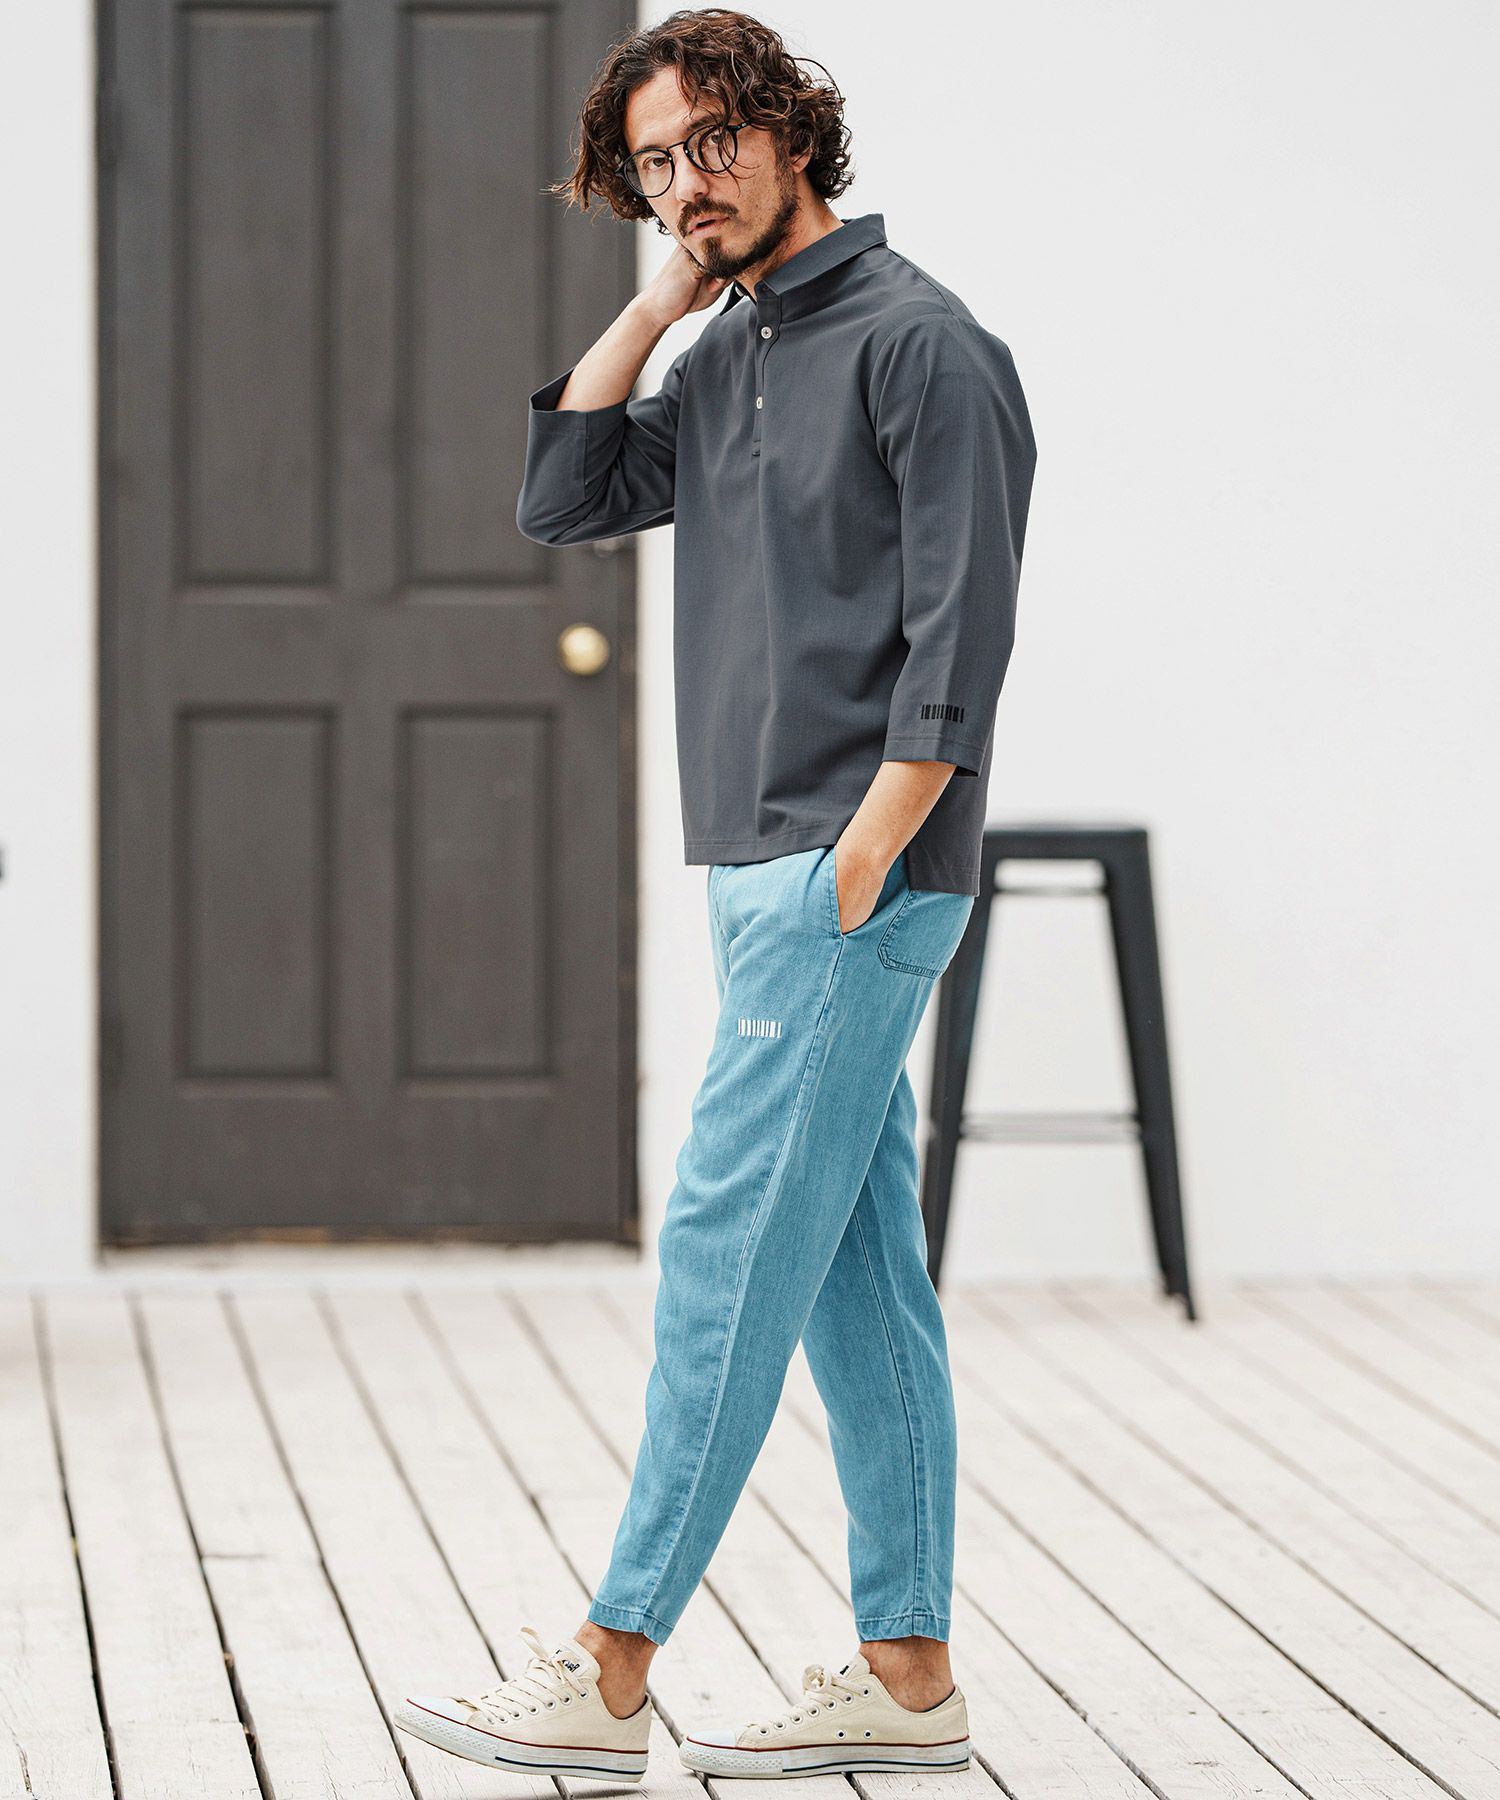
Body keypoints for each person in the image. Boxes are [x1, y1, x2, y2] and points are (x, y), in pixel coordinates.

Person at [395, 5, 1036, 1783]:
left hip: (850, 869)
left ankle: (611, 1668)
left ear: (792, 131)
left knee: (723, 1250)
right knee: (854, 1280)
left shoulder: (925, 346)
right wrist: (661, 304)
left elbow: (962, 633)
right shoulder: (735, 346)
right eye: (657, 164)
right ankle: (909, 1677)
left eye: (713, 144)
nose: (688, 182)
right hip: (760, 867)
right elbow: (568, 496)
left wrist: (868, 849)